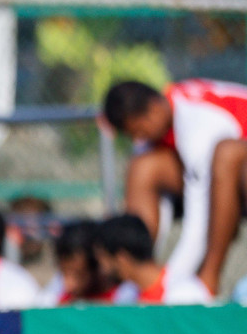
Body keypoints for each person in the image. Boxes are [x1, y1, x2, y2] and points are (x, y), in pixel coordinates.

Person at [104, 78, 247, 295]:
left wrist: (169, 284)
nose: (138, 140)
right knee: (143, 168)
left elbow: (199, 221)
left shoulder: (198, 126)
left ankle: (207, 284)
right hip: (229, 178)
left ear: (153, 109)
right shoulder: (168, 106)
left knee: (226, 156)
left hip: (236, 174)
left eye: (140, 132)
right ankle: (137, 272)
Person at [95, 214, 213, 305]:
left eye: (103, 260)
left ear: (122, 259)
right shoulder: (125, 295)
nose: (102, 269)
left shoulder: (186, 293)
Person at [41, 219, 128, 305]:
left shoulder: (126, 298)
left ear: (99, 266)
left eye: (78, 276)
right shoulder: (61, 301)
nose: (68, 286)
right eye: (63, 273)